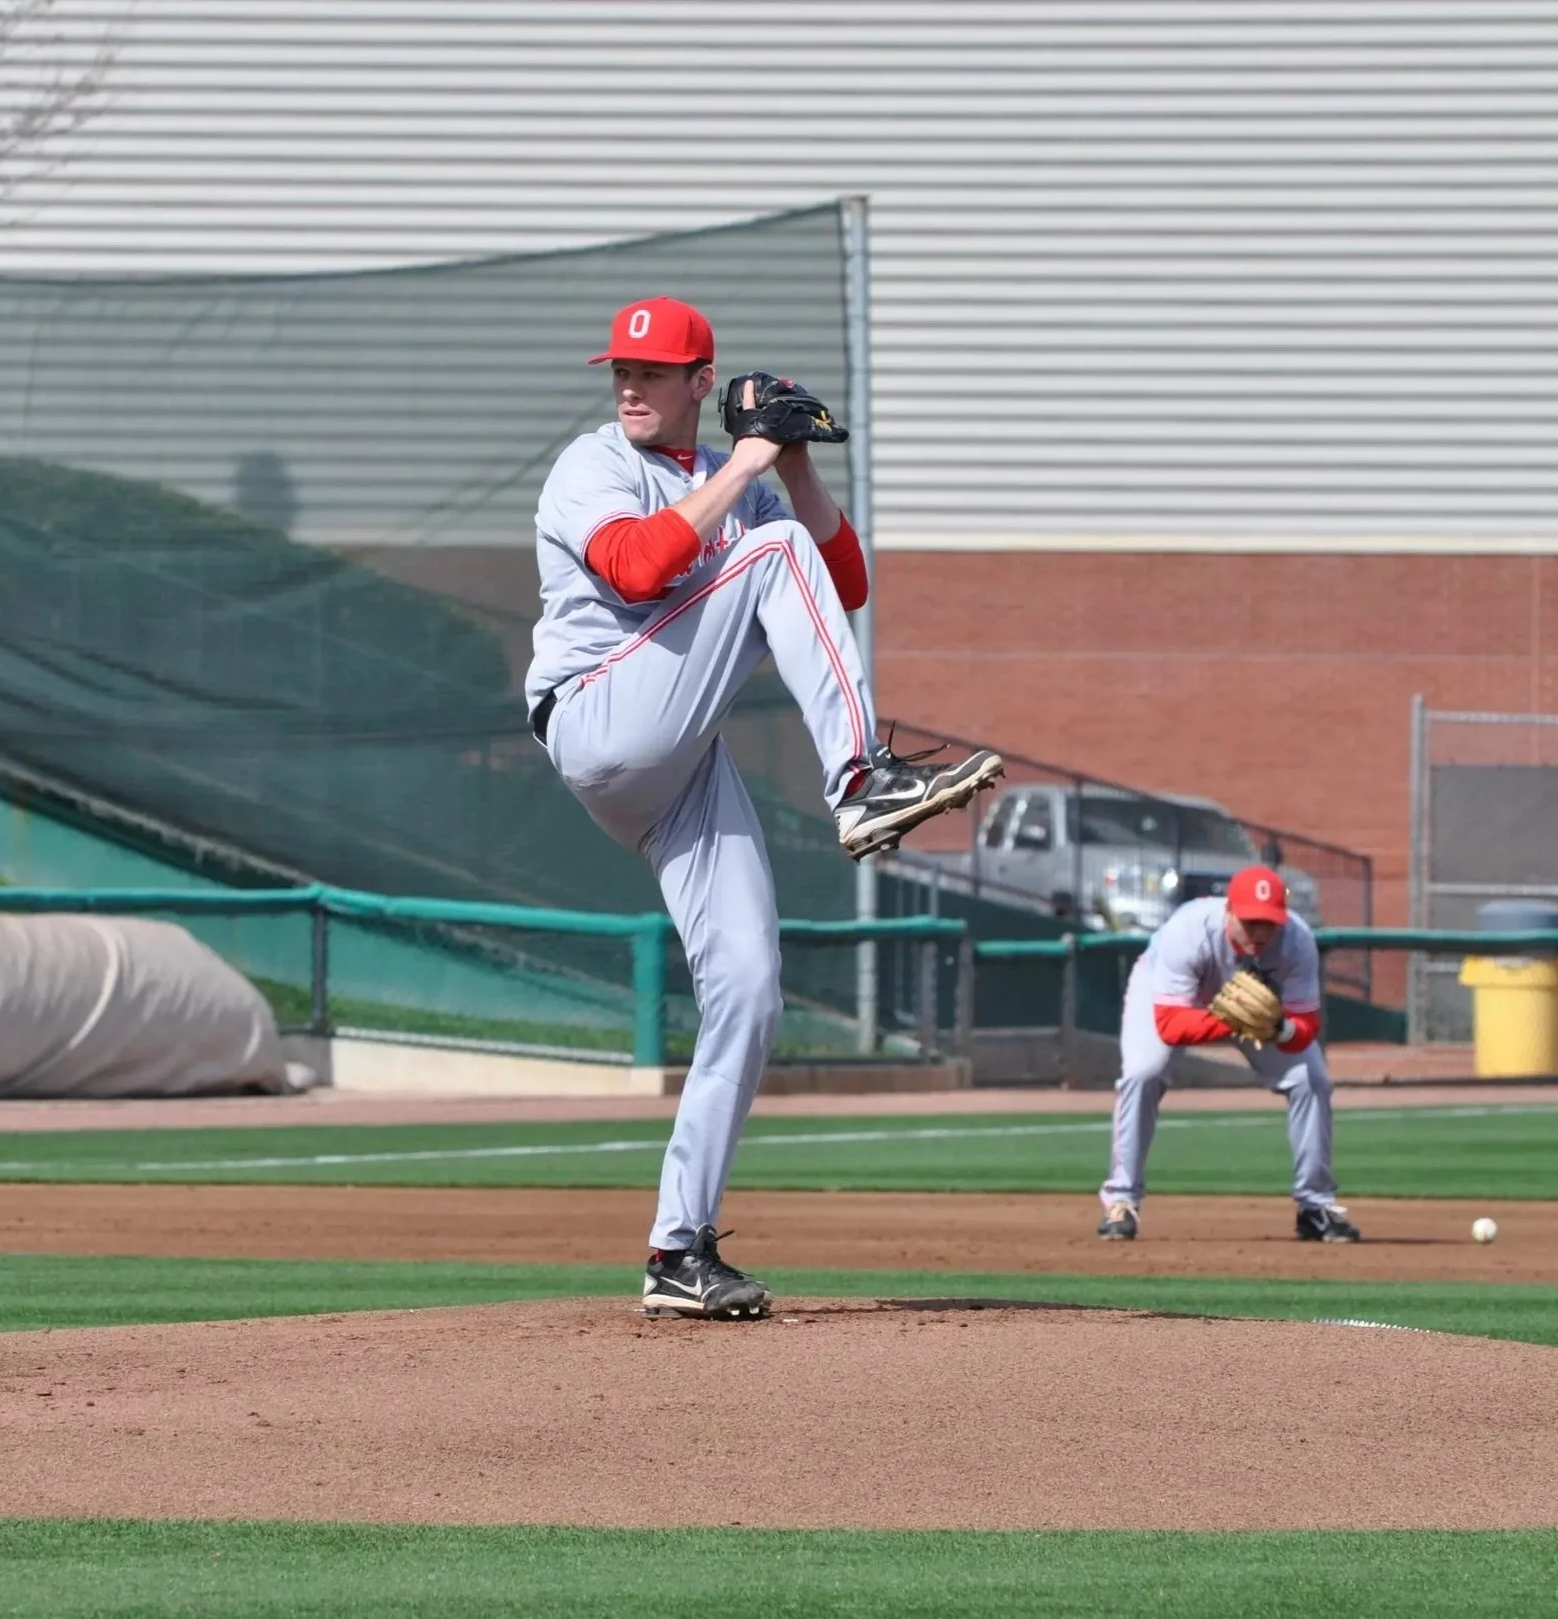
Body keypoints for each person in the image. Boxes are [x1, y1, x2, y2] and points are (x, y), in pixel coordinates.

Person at [526, 295, 1003, 1319]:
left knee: (747, 982)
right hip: (599, 712)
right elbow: (636, 566)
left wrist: (790, 463)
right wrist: (747, 464)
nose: (629, 386)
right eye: (621, 369)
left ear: (701, 382)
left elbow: (850, 585)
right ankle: (861, 778)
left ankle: (677, 1248)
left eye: (652, 373)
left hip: (679, 753)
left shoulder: (735, 480)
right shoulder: (593, 463)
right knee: (767, 553)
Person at [1096, 864, 1362, 1243]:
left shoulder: (1297, 941)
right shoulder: (1187, 932)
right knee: (1143, 1072)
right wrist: (1239, 1019)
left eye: (1269, 923)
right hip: (1170, 993)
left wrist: (1277, 1027)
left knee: (1311, 1079)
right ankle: (1120, 1201)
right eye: (1250, 922)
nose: (1260, 932)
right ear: (1229, 912)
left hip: (1257, 1016)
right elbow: (1171, 1026)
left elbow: (1304, 1028)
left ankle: (1315, 1205)